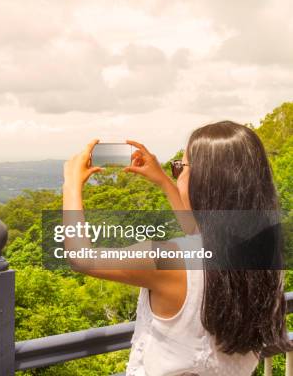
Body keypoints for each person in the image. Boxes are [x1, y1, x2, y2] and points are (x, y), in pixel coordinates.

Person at [62, 121, 289, 375]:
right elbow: (201, 234)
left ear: (207, 182)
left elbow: (81, 257)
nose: (176, 173)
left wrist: (71, 184)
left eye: (180, 168)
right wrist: (163, 180)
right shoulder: (265, 256)